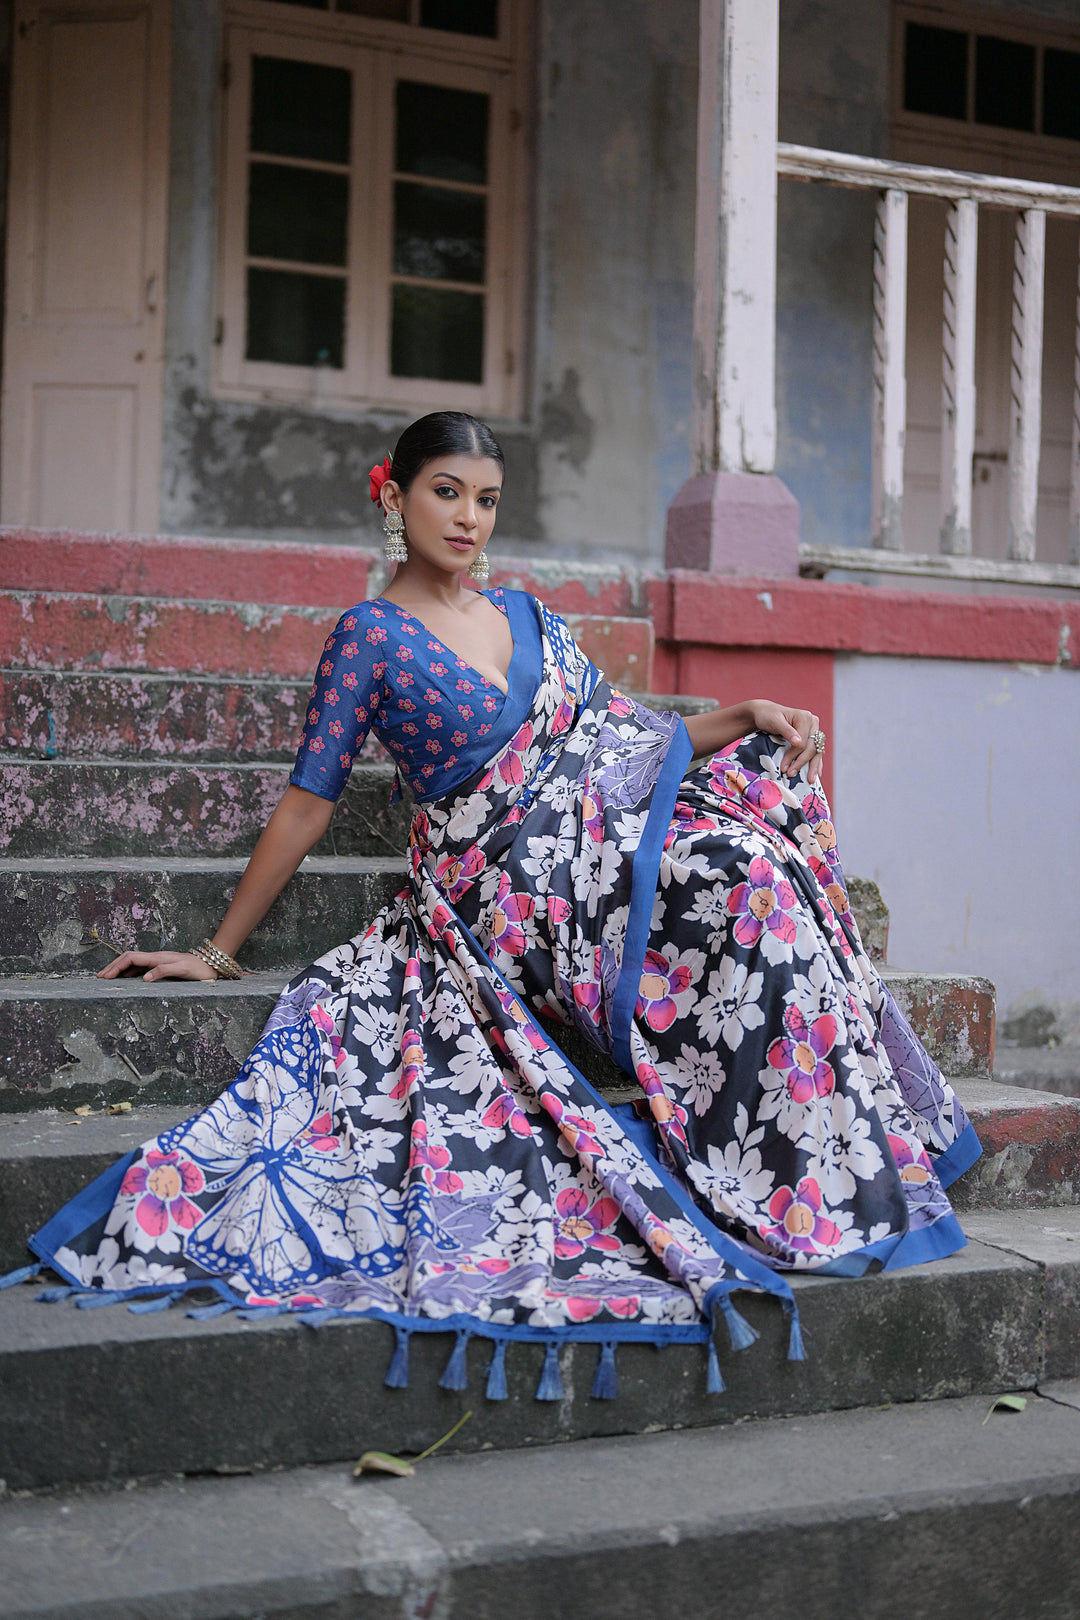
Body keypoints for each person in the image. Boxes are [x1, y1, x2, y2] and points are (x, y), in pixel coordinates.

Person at [23, 411, 979, 1401]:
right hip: (502, 899)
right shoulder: (369, 638)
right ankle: (763, 1168)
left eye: (486, 500)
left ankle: (813, 1169)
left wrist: (743, 715)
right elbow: (309, 801)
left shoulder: (529, 621)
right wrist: (218, 953)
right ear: (394, 496)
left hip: (592, 854)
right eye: (446, 492)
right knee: (725, 875)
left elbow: (623, 748)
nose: (469, 517)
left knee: (748, 858)